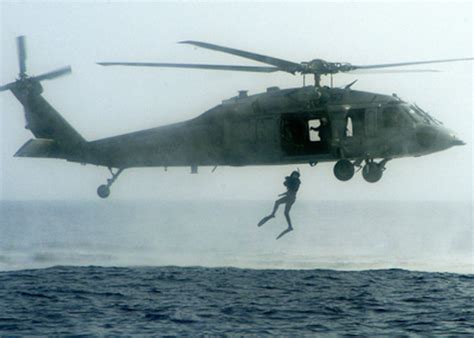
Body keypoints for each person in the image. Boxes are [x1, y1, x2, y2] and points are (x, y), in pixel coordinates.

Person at [258, 170, 301, 240]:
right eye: (294, 174)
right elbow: (288, 188)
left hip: (291, 198)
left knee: (285, 211)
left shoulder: (296, 182)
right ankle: (275, 216)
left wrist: (289, 179)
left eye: (296, 175)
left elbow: (293, 189)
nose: (295, 176)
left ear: (297, 176)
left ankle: (288, 226)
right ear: (292, 174)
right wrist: (282, 194)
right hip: (289, 197)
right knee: (280, 206)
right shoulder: (292, 180)